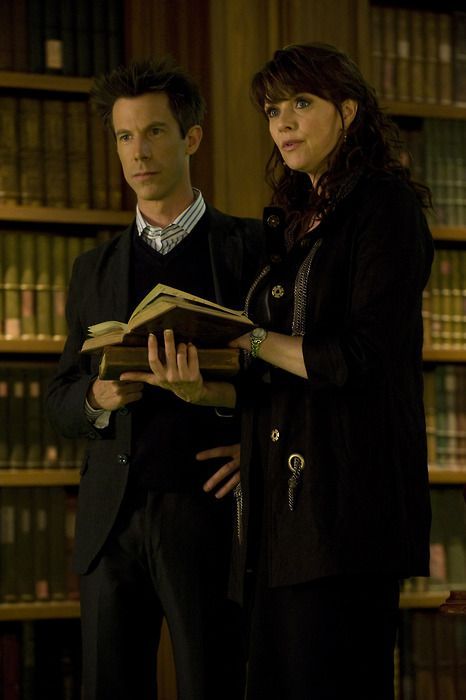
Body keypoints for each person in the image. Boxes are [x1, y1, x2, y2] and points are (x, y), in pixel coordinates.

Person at [122, 43, 435, 699]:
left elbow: (357, 358)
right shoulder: (291, 220)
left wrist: (249, 338)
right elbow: (274, 372)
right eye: (272, 110)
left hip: (346, 511)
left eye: (301, 103)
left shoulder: (387, 209)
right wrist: (200, 388)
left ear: (348, 112)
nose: (283, 122)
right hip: (275, 515)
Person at [45, 57, 263, 700]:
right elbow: (58, 399)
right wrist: (96, 398)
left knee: (214, 685)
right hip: (110, 525)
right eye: (123, 136)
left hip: (212, 515)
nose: (137, 152)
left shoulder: (251, 250)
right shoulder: (93, 268)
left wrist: (250, 436)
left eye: (154, 132)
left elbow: (291, 377)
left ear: (191, 137)